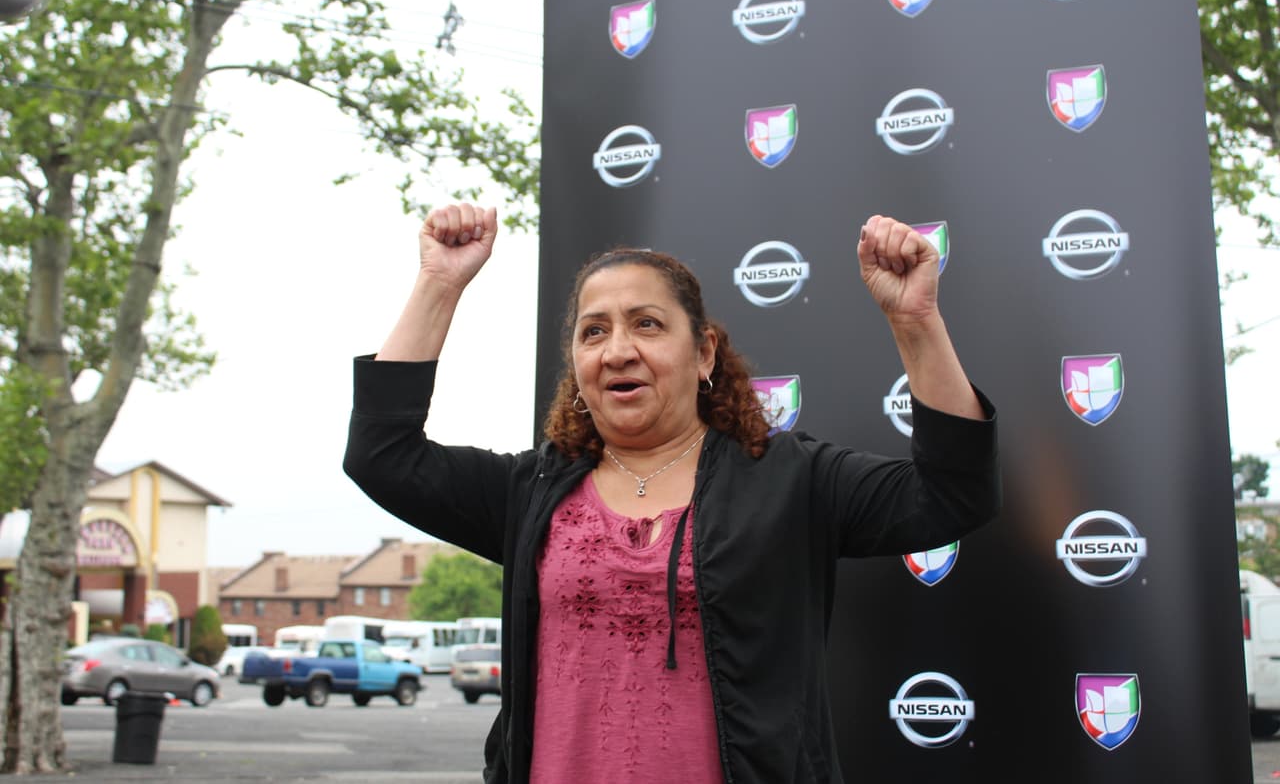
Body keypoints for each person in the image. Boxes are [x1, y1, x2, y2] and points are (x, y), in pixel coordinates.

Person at [343, 203, 1000, 784]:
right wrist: (437, 284)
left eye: (647, 324)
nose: (617, 349)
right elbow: (383, 456)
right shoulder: (529, 491)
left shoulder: (790, 479)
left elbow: (950, 494)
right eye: (593, 331)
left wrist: (915, 321)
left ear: (705, 352)